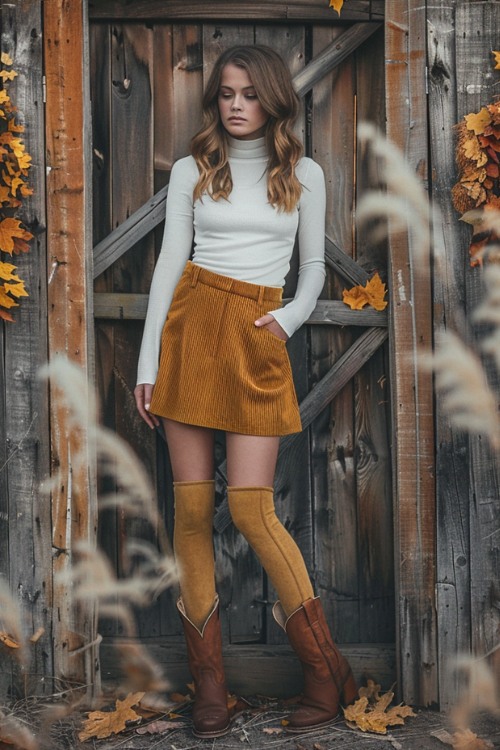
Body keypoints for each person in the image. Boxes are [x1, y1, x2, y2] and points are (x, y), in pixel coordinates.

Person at [134, 45, 356, 739]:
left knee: (254, 510)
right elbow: (171, 263)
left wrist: (285, 321)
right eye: (226, 93)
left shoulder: (305, 173)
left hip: (259, 334)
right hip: (191, 331)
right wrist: (148, 363)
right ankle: (210, 692)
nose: (235, 105)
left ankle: (327, 673)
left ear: (273, 99)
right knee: (193, 514)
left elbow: (314, 268)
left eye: (249, 94)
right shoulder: (195, 171)